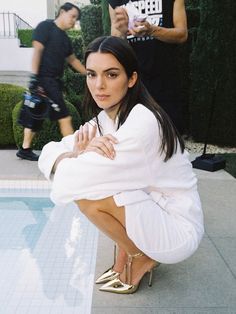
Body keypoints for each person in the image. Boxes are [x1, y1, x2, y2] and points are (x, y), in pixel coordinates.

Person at [38, 36, 204, 294]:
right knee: (93, 190)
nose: (99, 85)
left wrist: (76, 157)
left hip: (176, 228)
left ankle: (141, 256)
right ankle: (129, 252)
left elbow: (71, 183)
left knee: (88, 198)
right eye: (91, 74)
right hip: (151, 206)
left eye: (111, 74)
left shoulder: (142, 124)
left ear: (132, 78)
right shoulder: (107, 117)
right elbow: (51, 151)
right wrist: (71, 155)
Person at [16, 2, 86, 161]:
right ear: (62, 11)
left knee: (35, 115)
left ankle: (25, 149)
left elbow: (73, 60)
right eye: (72, 16)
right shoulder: (45, 27)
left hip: (53, 81)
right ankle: (73, 152)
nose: (74, 21)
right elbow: (37, 51)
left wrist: (89, 73)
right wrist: (34, 78)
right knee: (64, 117)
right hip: (44, 80)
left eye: (76, 19)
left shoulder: (65, 39)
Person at [108, 0, 188, 134]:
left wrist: (152, 30)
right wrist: (122, 32)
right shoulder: (115, 2)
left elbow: (182, 34)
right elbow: (116, 42)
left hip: (166, 79)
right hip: (133, 83)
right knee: (137, 135)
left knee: (170, 135)